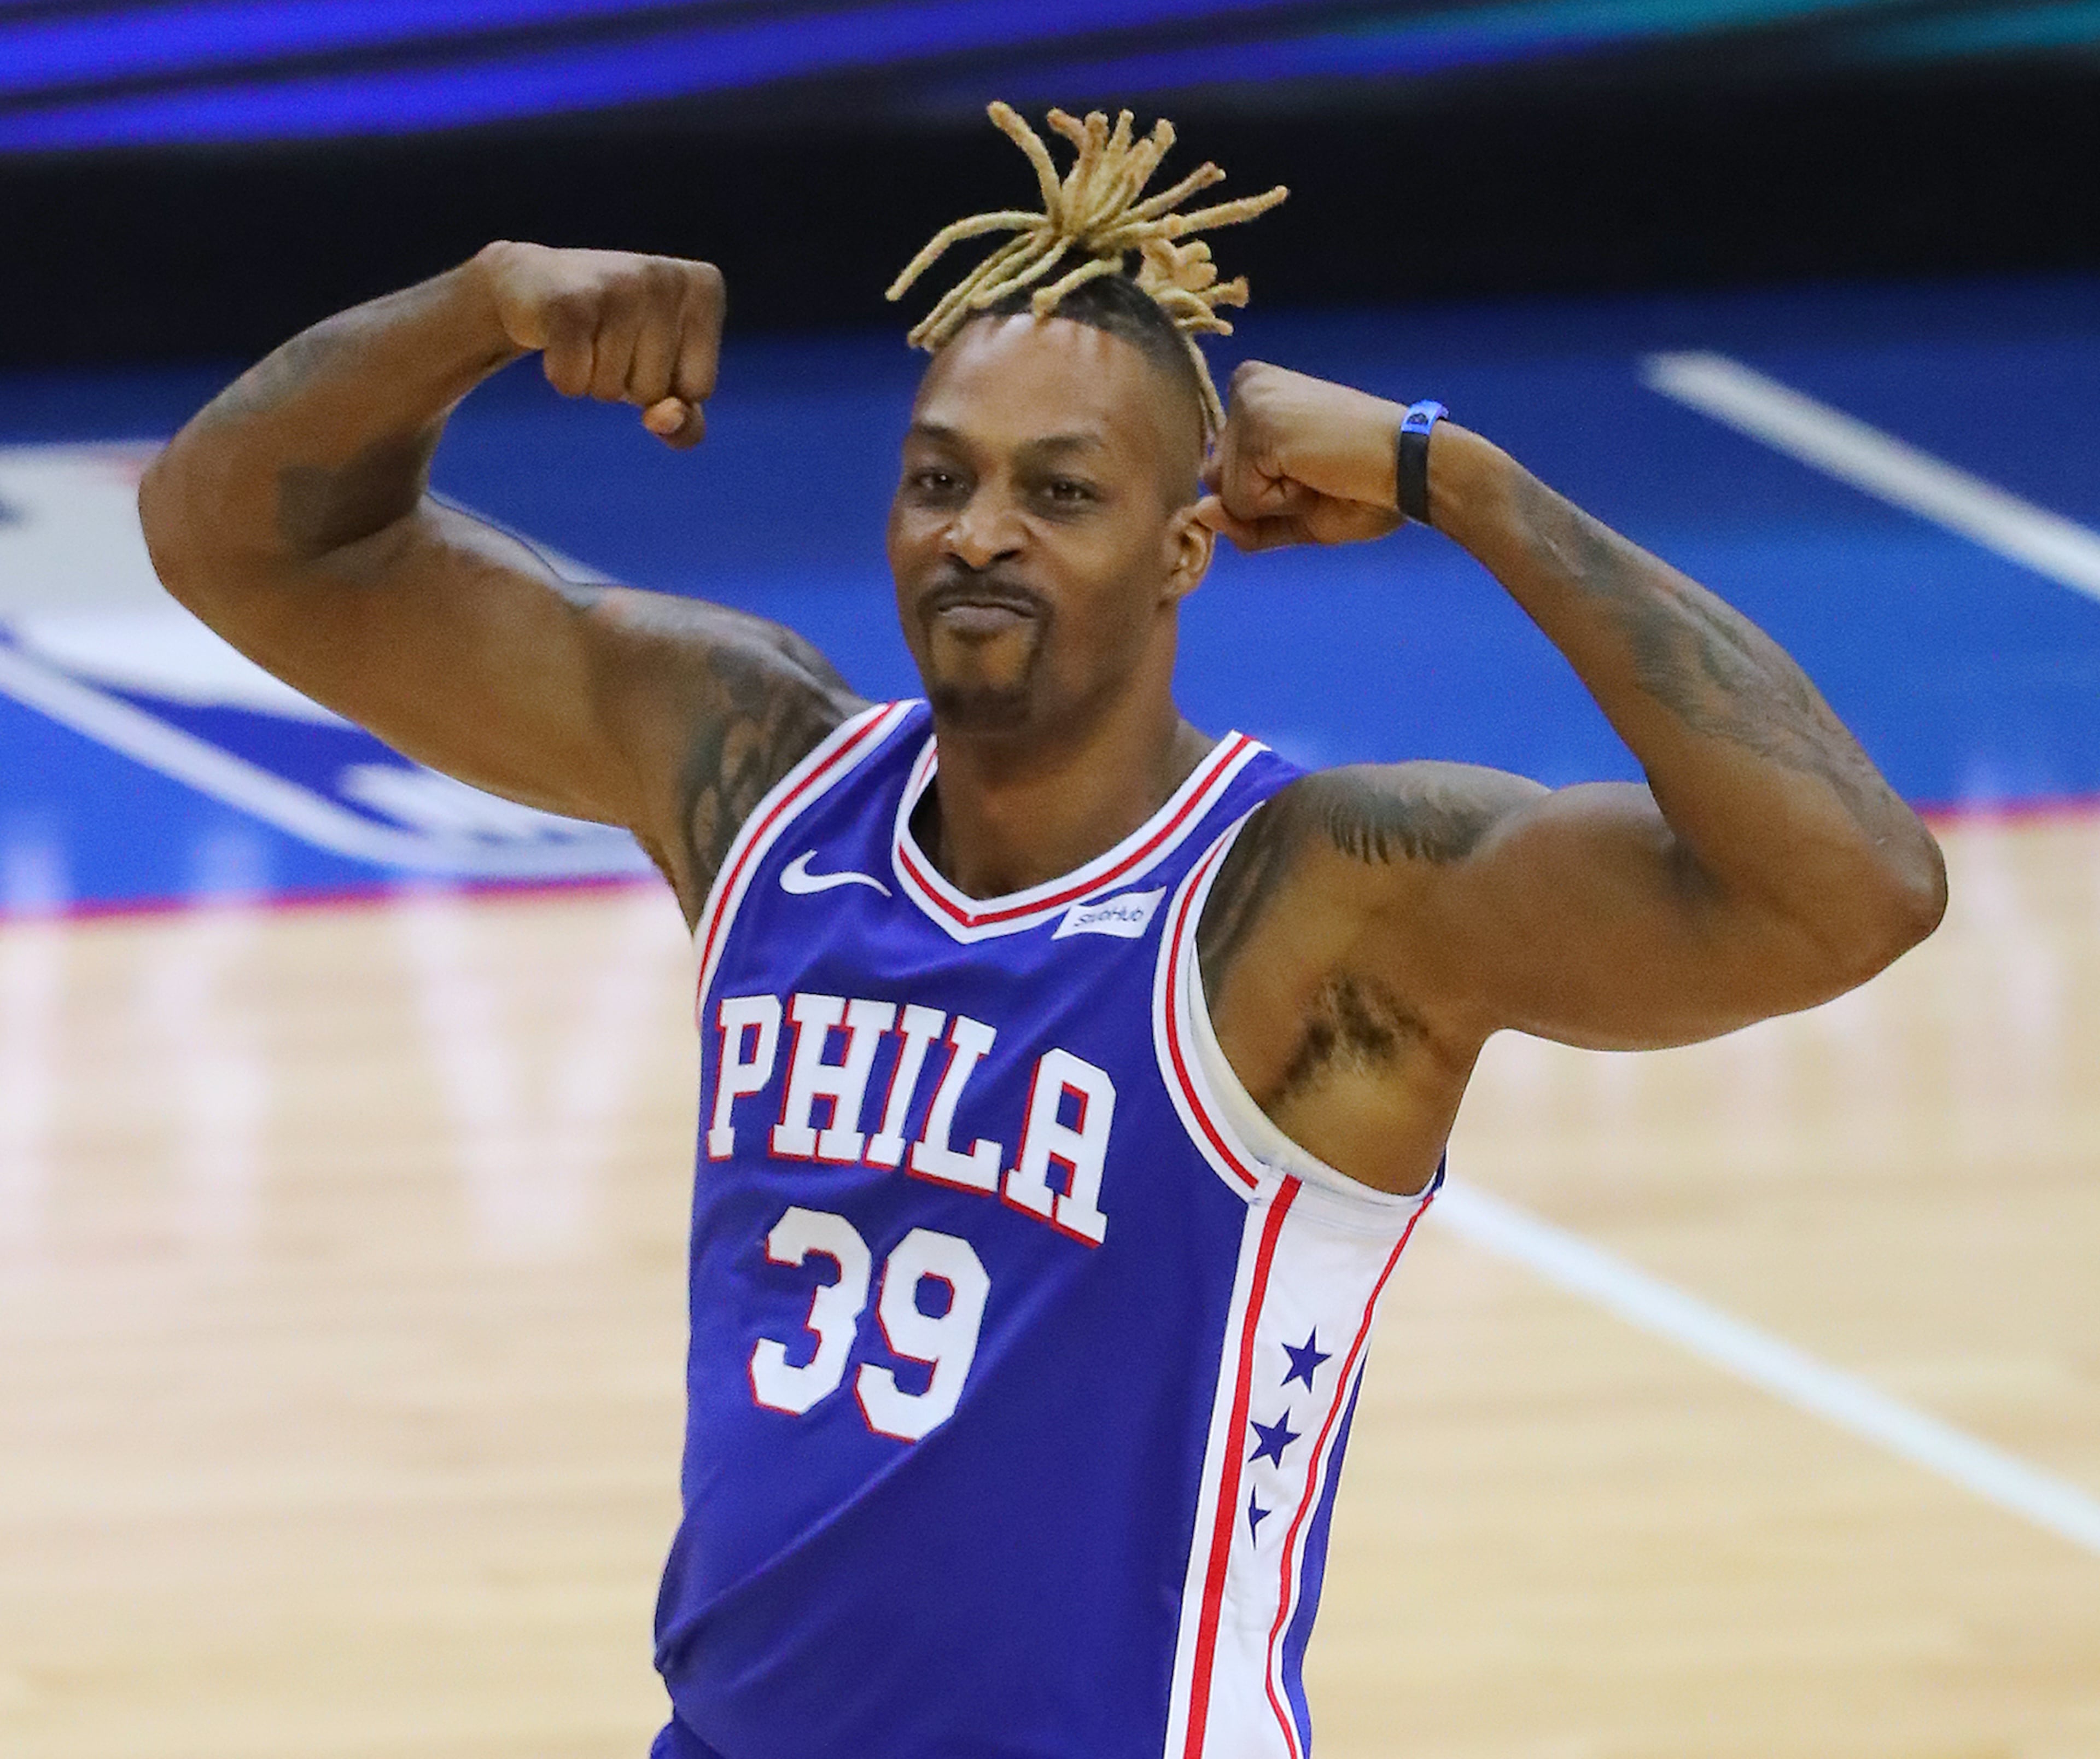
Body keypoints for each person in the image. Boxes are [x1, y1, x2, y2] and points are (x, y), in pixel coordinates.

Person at [137, 103, 1944, 1759]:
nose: (979, 535)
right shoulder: (754, 778)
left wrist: (1453, 480)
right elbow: (235, 542)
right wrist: (477, 305)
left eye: (1059, 493)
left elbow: (1849, 893)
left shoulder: (1317, 903)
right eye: (942, 478)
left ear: (1183, 550)